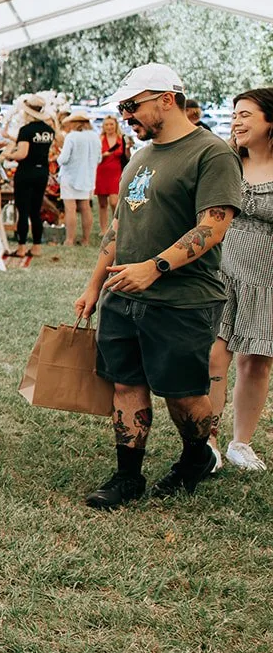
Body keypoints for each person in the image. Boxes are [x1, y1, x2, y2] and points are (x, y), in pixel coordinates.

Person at [73, 64, 243, 510]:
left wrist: (157, 266)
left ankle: (196, 457)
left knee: (184, 394)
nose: (126, 115)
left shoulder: (212, 153)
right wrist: (95, 285)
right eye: (122, 108)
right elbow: (118, 225)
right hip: (122, 296)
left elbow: (215, 224)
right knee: (125, 385)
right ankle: (127, 476)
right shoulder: (140, 155)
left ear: (167, 98)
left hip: (183, 299)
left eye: (132, 106)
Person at [207, 88, 273, 471]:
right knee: (215, 353)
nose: (236, 120)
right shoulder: (227, 161)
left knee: (257, 362)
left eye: (246, 114)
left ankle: (241, 443)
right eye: (234, 114)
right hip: (223, 272)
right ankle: (209, 441)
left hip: (266, 280)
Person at [5, 95, 57, 256]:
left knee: (23, 210)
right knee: (36, 210)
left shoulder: (26, 130)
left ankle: (21, 247)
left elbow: (23, 153)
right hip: (42, 171)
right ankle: (36, 246)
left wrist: (9, 154)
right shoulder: (48, 130)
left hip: (26, 172)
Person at [58, 112, 99, 246]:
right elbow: (99, 158)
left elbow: (64, 159)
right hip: (87, 176)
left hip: (70, 176)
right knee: (85, 208)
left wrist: (58, 158)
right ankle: (85, 240)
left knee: (70, 208)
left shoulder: (72, 136)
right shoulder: (94, 137)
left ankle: (70, 239)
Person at [95, 114, 130, 235]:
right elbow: (95, 156)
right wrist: (103, 155)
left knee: (114, 202)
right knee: (102, 203)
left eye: (111, 124)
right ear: (103, 126)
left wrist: (128, 149)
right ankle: (103, 229)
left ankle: (116, 226)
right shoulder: (100, 139)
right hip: (101, 172)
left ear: (115, 125)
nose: (109, 127)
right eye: (106, 125)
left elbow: (127, 158)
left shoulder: (121, 138)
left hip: (116, 172)